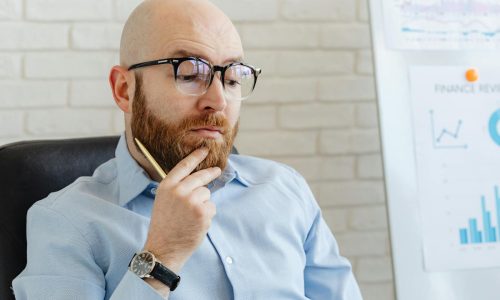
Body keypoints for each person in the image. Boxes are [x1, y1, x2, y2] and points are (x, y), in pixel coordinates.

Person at [12, 0, 363, 299]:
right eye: (189, 72)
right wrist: (163, 253)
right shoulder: (66, 222)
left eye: (232, 78)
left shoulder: (285, 189)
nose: (218, 100)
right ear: (123, 90)